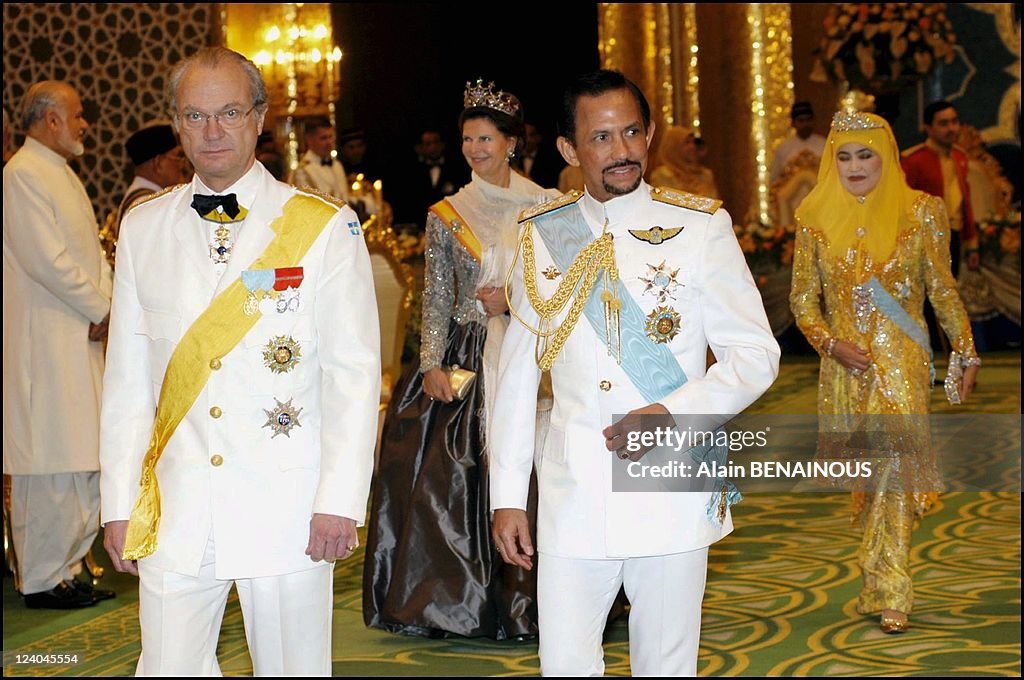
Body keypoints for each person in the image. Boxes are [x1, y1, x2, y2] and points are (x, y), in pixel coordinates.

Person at [99, 46, 381, 676]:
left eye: (228, 112)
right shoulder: (144, 228)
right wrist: (119, 501)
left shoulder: (322, 227)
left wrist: (339, 497)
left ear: (259, 118)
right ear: (177, 124)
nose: (213, 131)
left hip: (285, 502)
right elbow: (125, 381)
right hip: (176, 506)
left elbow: (352, 374)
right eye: (195, 116)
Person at [490, 69, 780, 675]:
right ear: (569, 150)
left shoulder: (700, 227)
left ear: (648, 135)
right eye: (600, 138)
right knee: (565, 662)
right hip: (575, 487)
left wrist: (673, 413)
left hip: (669, 478)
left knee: (666, 663)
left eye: (630, 133)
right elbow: (515, 379)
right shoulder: (541, 235)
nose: (620, 151)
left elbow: (756, 355)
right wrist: (508, 498)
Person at [363, 79, 558, 640]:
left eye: (486, 139)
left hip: (534, 350)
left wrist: (517, 300)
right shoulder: (447, 212)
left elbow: (569, 286)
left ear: (511, 143)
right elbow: (437, 297)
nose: (476, 149)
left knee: (539, 464)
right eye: (468, 139)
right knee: (452, 475)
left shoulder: (547, 204)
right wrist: (429, 365)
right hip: (467, 352)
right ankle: (454, 603)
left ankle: (540, 599)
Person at [790, 109, 980, 635]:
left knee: (896, 468)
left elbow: (941, 288)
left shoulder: (921, 211)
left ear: (886, 156)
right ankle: (876, 578)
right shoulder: (813, 217)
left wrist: (964, 351)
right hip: (844, 368)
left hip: (902, 361)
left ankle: (895, 588)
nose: (854, 166)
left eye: (865, 154)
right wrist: (830, 343)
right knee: (871, 479)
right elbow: (803, 301)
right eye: (844, 156)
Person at [3, 80, 115, 609]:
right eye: (77, 113)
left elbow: (90, 257)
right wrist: (101, 308)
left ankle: (68, 568)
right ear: (49, 120)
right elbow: (46, 260)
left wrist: (109, 305)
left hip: (78, 340)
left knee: (79, 459)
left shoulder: (59, 174)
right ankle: (44, 579)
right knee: (49, 465)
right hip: (45, 346)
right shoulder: (21, 175)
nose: (84, 122)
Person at [901, 100, 980, 278]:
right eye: (943, 123)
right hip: (925, 241)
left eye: (954, 121)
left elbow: (965, 201)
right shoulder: (914, 161)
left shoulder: (960, 157)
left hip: (954, 236)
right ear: (928, 128)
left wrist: (972, 243)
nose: (951, 128)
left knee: (950, 290)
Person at [391, 128, 469, 230]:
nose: (433, 147)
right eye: (428, 144)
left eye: (436, 142)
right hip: (421, 229)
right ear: (420, 148)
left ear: (442, 145)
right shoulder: (411, 173)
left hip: (452, 228)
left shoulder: (457, 169)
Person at [117, 122, 190, 229]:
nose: (182, 164)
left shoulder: (145, 200)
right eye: (177, 157)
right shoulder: (146, 204)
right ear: (158, 163)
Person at [649, 124, 720, 199]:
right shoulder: (663, 175)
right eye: (687, 143)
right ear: (673, 147)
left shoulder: (705, 175)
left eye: (693, 142)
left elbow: (714, 204)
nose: (692, 146)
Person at [288, 115, 350, 201]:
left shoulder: (337, 165)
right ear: (309, 139)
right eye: (323, 138)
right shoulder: (302, 172)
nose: (329, 142)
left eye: (330, 136)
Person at [770, 100, 827, 184]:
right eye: (801, 121)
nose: (805, 124)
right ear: (793, 123)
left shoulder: (823, 144)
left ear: (813, 121)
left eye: (808, 120)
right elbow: (774, 179)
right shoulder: (784, 147)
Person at [514, 121, 565, 190]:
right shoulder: (514, 159)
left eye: (531, 135)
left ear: (538, 137)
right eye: (524, 136)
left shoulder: (550, 160)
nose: (527, 140)